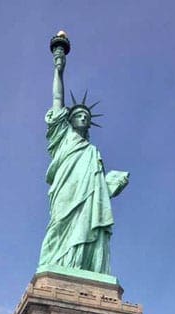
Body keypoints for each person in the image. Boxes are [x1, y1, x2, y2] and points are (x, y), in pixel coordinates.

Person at [37, 32, 129, 275]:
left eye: (86, 117)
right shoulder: (62, 137)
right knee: (59, 225)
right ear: (69, 119)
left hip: (87, 199)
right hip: (66, 192)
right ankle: (58, 267)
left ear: (89, 124)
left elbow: (98, 190)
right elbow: (58, 98)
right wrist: (59, 67)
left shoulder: (92, 151)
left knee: (89, 226)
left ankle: (87, 268)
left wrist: (110, 185)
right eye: (78, 114)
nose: (82, 117)